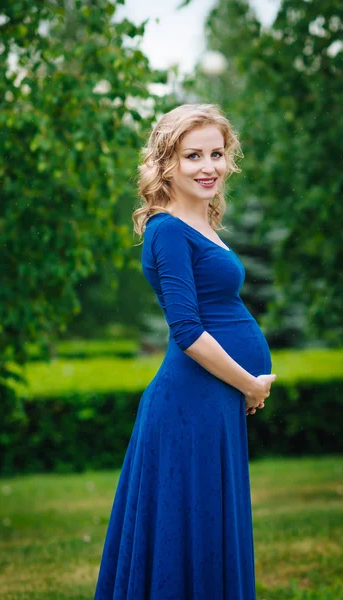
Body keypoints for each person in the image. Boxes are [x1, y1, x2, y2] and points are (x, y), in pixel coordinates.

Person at [93, 104, 276, 599]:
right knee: (188, 533)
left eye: (216, 153)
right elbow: (188, 331)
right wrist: (250, 382)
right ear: (166, 163)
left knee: (210, 527)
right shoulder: (168, 230)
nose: (207, 166)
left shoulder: (204, 226)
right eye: (192, 155)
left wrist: (242, 385)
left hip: (212, 403)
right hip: (187, 406)